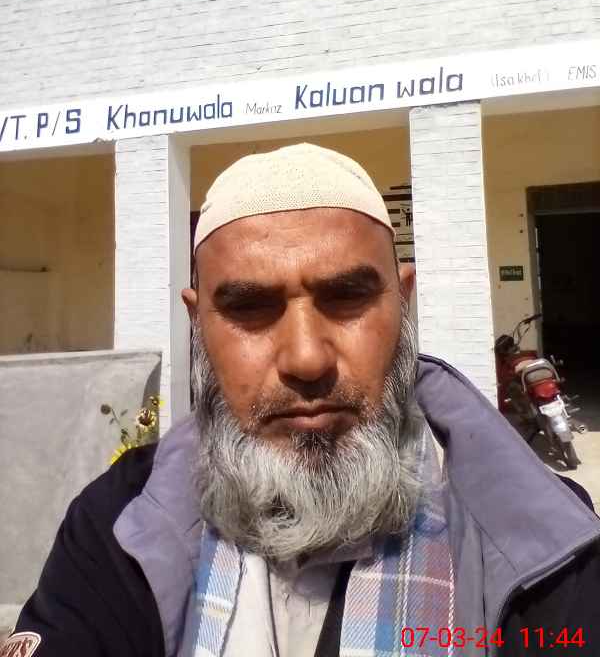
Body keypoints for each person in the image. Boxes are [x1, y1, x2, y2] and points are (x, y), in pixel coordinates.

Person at [6, 143, 600, 657]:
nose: (307, 359)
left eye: (346, 297)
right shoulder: (121, 525)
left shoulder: (541, 542)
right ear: (198, 323)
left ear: (403, 302)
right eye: (249, 307)